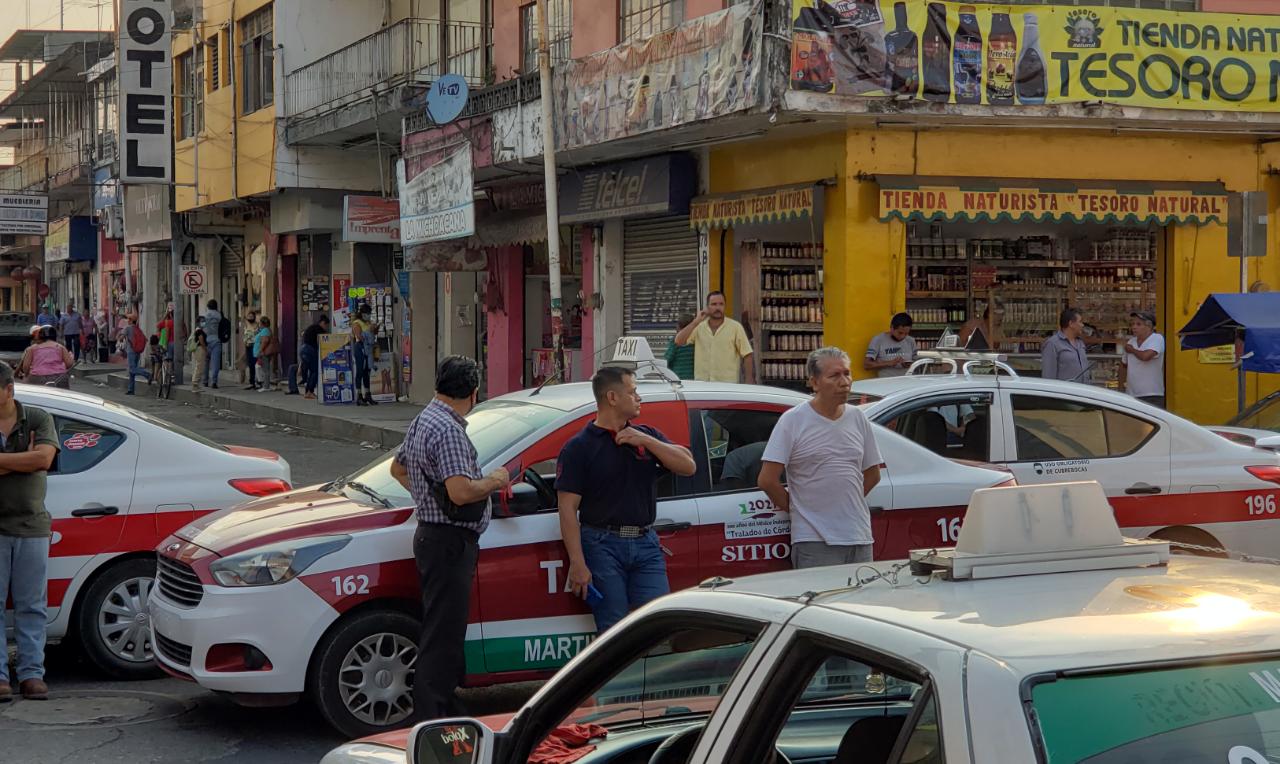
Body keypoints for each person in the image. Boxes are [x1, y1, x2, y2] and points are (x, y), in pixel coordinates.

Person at [389, 355, 510, 720]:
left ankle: (443, 703)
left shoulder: (425, 418)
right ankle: (434, 711)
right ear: (473, 393)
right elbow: (460, 492)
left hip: (434, 536)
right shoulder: (449, 430)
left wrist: (428, 496)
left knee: (442, 626)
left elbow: (398, 469)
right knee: (444, 632)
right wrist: (495, 480)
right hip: (449, 541)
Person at [556, 366, 697, 633]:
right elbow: (567, 508)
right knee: (614, 629)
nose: (639, 398)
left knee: (659, 623)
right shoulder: (579, 447)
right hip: (602, 544)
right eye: (632, 392)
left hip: (646, 542)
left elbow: (688, 466)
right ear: (612, 397)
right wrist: (577, 562)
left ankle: (651, 675)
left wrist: (644, 440)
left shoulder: (646, 436)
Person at [758, 347, 883, 568]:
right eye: (834, 376)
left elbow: (873, 474)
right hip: (814, 540)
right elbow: (767, 480)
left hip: (859, 536)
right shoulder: (793, 420)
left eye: (847, 373)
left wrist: (845, 502)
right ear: (814, 383)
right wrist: (801, 511)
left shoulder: (857, 418)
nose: (844, 382)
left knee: (858, 602)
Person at [0, 361, 60, 701]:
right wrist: (22, 459)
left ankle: (32, 674)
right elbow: (33, 460)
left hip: (31, 526)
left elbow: (43, 461)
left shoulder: (37, 418)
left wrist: (27, 459)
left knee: (31, 605)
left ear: (10, 389)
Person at [673, 291, 754, 383]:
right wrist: (696, 321)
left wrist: (749, 380)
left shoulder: (735, 327)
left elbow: (747, 354)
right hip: (703, 385)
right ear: (707, 307)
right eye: (714, 304)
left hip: (727, 386)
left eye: (721, 304)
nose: (718, 308)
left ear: (725, 306)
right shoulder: (699, 327)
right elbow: (678, 341)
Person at [1121, 310, 1166, 408]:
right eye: (1132, 324)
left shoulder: (1157, 338)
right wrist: (1120, 389)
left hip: (1152, 394)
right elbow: (1124, 366)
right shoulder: (1131, 341)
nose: (1134, 327)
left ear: (1149, 326)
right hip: (1131, 394)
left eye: (1138, 324)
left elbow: (1146, 356)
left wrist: (1132, 350)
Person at [1041, 307, 1090, 383]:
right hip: (1065, 393)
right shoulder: (1053, 344)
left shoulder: (1080, 343)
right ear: (1071, 324)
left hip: (1083, 392)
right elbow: (1048, 376)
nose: (1082, 325)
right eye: (1080, 322)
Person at [864, 313, 917, 378]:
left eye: (906, 333)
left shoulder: (911, 341)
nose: (902, 336)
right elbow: (866, 365)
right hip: (886, 385)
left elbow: (918, 363)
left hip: (907, 383)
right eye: (900, 333)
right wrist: (889, 363)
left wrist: (909, 364)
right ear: (892, 327)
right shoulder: (878, 340)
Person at [351, 306, 377, 405]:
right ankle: (359, 395)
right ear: (362, 313)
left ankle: (368, 394)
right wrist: (369, 332)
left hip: (368, 348)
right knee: (360, 370)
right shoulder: (357, 323)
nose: (368, 315)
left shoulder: (368, 323)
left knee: (367, 371)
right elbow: (359, 336)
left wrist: (374, 329)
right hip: (360, 347)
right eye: (367, 313)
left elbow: (373, 334)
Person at [300, 314, 329, 400]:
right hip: (310, 350)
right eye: (326, 325)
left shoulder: (312, 327)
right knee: (315, 371)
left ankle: (307, 392)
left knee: (311, 371)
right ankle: (309, 392)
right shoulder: (318, 329)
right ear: (323, 323)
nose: (326, 327)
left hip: (303, 349)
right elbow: (324, 340)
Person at [124, 315, 151, 395]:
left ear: (131, 320)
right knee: (132, 371)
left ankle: (147, 375)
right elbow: (145, 339)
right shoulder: (138, 329)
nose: (127, 320)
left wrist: (119, 337)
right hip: (137, 351)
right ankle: (131, 389)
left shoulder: (128, 328)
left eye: (129, 319)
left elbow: (121, 336)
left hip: (131, 351)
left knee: (132, 369)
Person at [664, 313, 696, 380]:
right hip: (695, 380)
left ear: (678, 327)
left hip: (678, 378)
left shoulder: (675, 341)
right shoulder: (696, 341)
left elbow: (667, 360)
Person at [203, 299, 224, 389]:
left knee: (205, 362)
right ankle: (214, 382)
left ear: (208, 306)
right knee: (215, 363)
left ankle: (205, 381)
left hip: (205, 341)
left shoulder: (204, 315)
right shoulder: (219, 315)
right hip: (216, 340)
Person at [187, 323, 208, 392]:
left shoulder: (196, 331)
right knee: (199, 366)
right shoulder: (199, 331)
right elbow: (201, 340)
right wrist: (205, 349)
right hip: (200, 349)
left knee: (199, 366)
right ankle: (195, 385)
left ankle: (196, 384)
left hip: (197, 350)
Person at [241, 309, 259, 389]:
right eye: (249, 316)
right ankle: (251, 382)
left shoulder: (257, 326)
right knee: (250, 364)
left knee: (255, 363)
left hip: (254, 346)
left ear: (254, 317)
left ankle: (257, 381)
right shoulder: (246, 325)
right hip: (247, 346)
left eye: (251, 316)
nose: (250, 318)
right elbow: (244, 335)